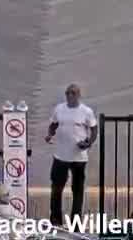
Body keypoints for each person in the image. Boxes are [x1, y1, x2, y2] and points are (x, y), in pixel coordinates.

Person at [45, 84, 97, 225]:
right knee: (56, 188)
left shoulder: (86, 111)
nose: (70, 95)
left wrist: (88, 143)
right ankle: (56, 220)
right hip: (60, 156)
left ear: (79, 95)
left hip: (79, 158)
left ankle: (75, 222)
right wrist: (50, 134)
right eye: (67, 93)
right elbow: (54, 124)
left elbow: (94, 129)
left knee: (77, 190)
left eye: (73, 93)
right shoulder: (59, 109)